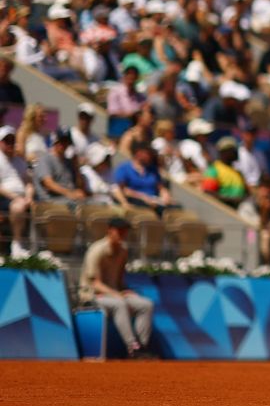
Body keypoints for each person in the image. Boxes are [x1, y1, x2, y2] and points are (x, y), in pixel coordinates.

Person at [81, 216, 158, 359]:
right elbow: (95, 283)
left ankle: (142, 346)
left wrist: (126, 291)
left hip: (114, 293)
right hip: (91, 295)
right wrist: (117, 294)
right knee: (120, 304)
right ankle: (132, 347)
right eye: (120, 231)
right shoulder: (96, 250)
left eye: (125, 231)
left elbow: (120, 279)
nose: (123, 234)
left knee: (146, 304)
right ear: (110, 231)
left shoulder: (123, 250)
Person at [112, 142, 173, 213]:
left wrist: (165, 196)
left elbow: (161, 188)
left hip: (154, 201)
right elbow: (122, 189)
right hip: (136, 201)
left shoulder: (153, 170)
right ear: (139, 153)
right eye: (148, 153)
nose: (150, 156)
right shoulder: (124, 168)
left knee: (175, 208)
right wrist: (142, 197)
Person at [0, 126, 33, 256]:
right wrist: (16, 197)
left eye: (12, 141)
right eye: (6, 141)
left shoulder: (20, 161)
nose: (10, 144)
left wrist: (29, 197)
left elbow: (28, 182)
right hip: (4, 198)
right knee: (18, 207)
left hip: (21, 198)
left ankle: (33, 246)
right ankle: (17, 243)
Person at [33, 130, 86, 204]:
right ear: (55, 141)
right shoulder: (45, 159)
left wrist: (76, 167)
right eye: (61, 141)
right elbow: (48, 183)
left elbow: (80, 186)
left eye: (66, 142)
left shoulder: (69, 162)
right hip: (51, 202)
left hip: (68, 200)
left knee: (99, 204)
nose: (63, 144)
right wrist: (69, 193)